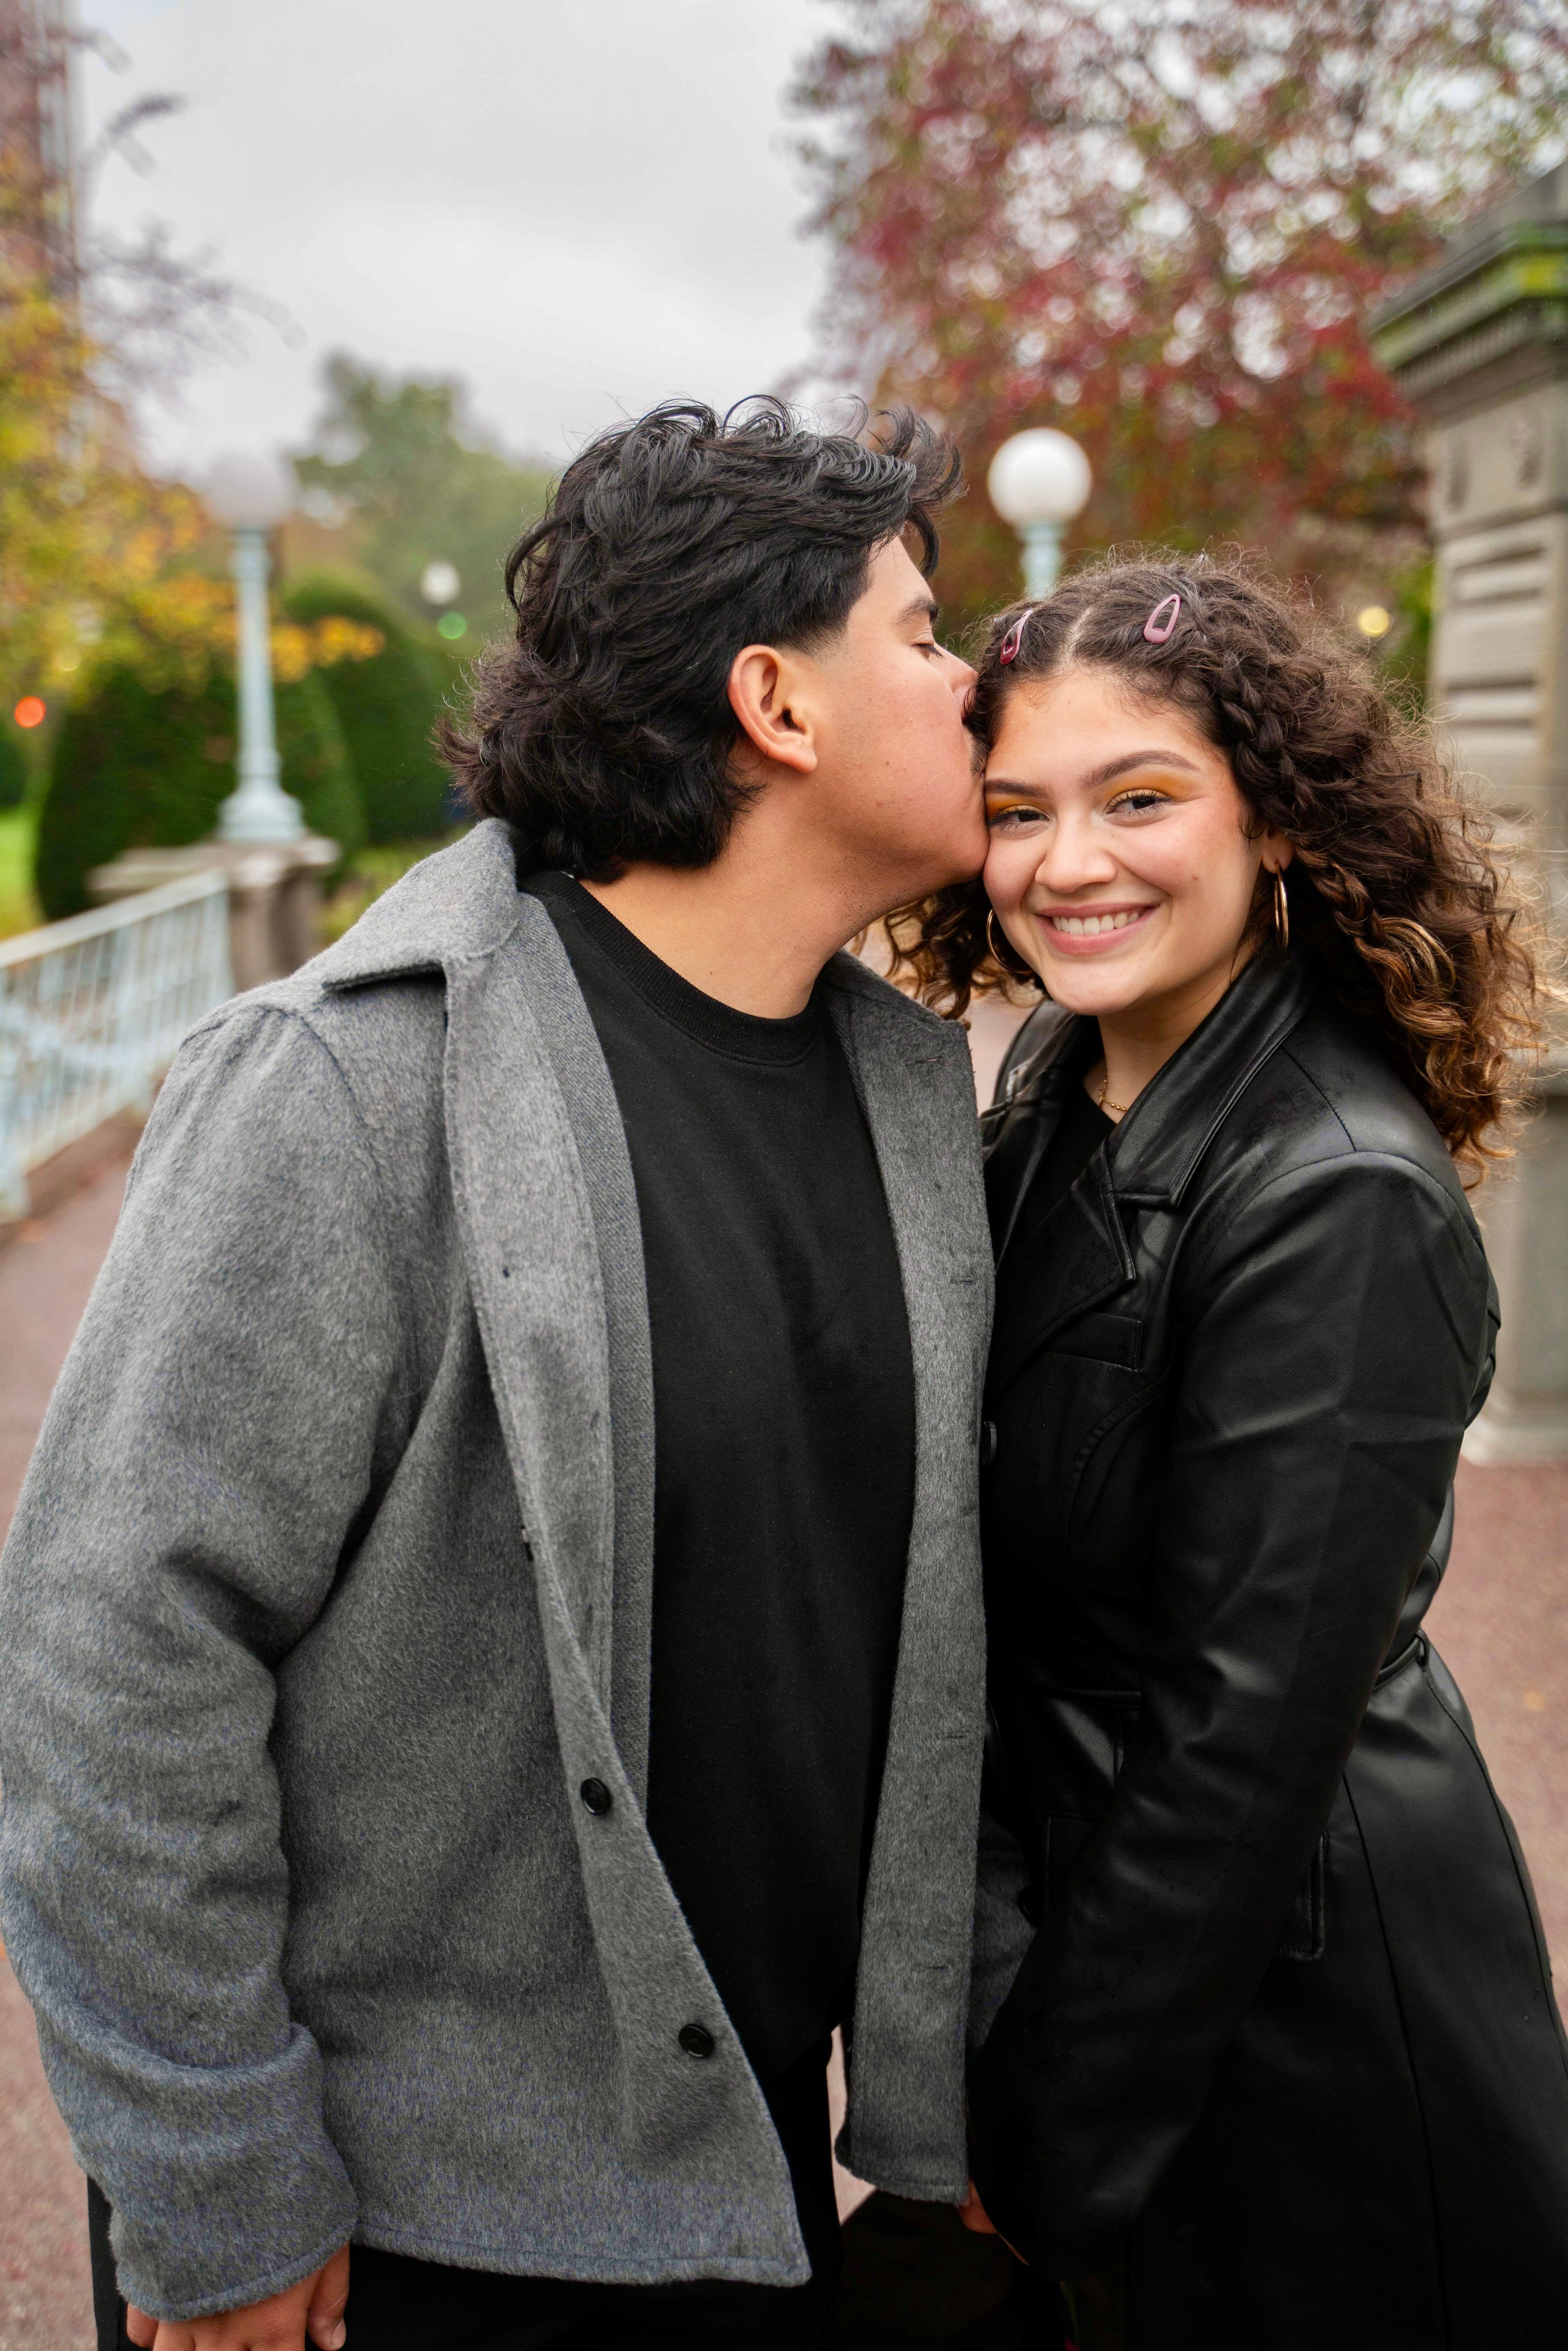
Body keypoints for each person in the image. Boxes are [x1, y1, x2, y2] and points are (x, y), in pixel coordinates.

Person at [0, 399, 1004, 2351]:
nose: (974, 688)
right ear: (777, 699)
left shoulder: (908, 1096)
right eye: (925, 634)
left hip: (752, 2176)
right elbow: (111, 1655)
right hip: (406, 2234)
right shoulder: (354, 1087)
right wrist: (221, 2186)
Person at [889, 559, 1568, 2347]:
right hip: (1111, 1958)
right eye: (1018, 811)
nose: (1069, 862)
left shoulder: (1333, 1187)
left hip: (1288, 2029)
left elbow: (1241, 1744)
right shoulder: (1060, 1075)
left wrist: (1046, 2119)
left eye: (1140, 799)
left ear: (1276, 823)